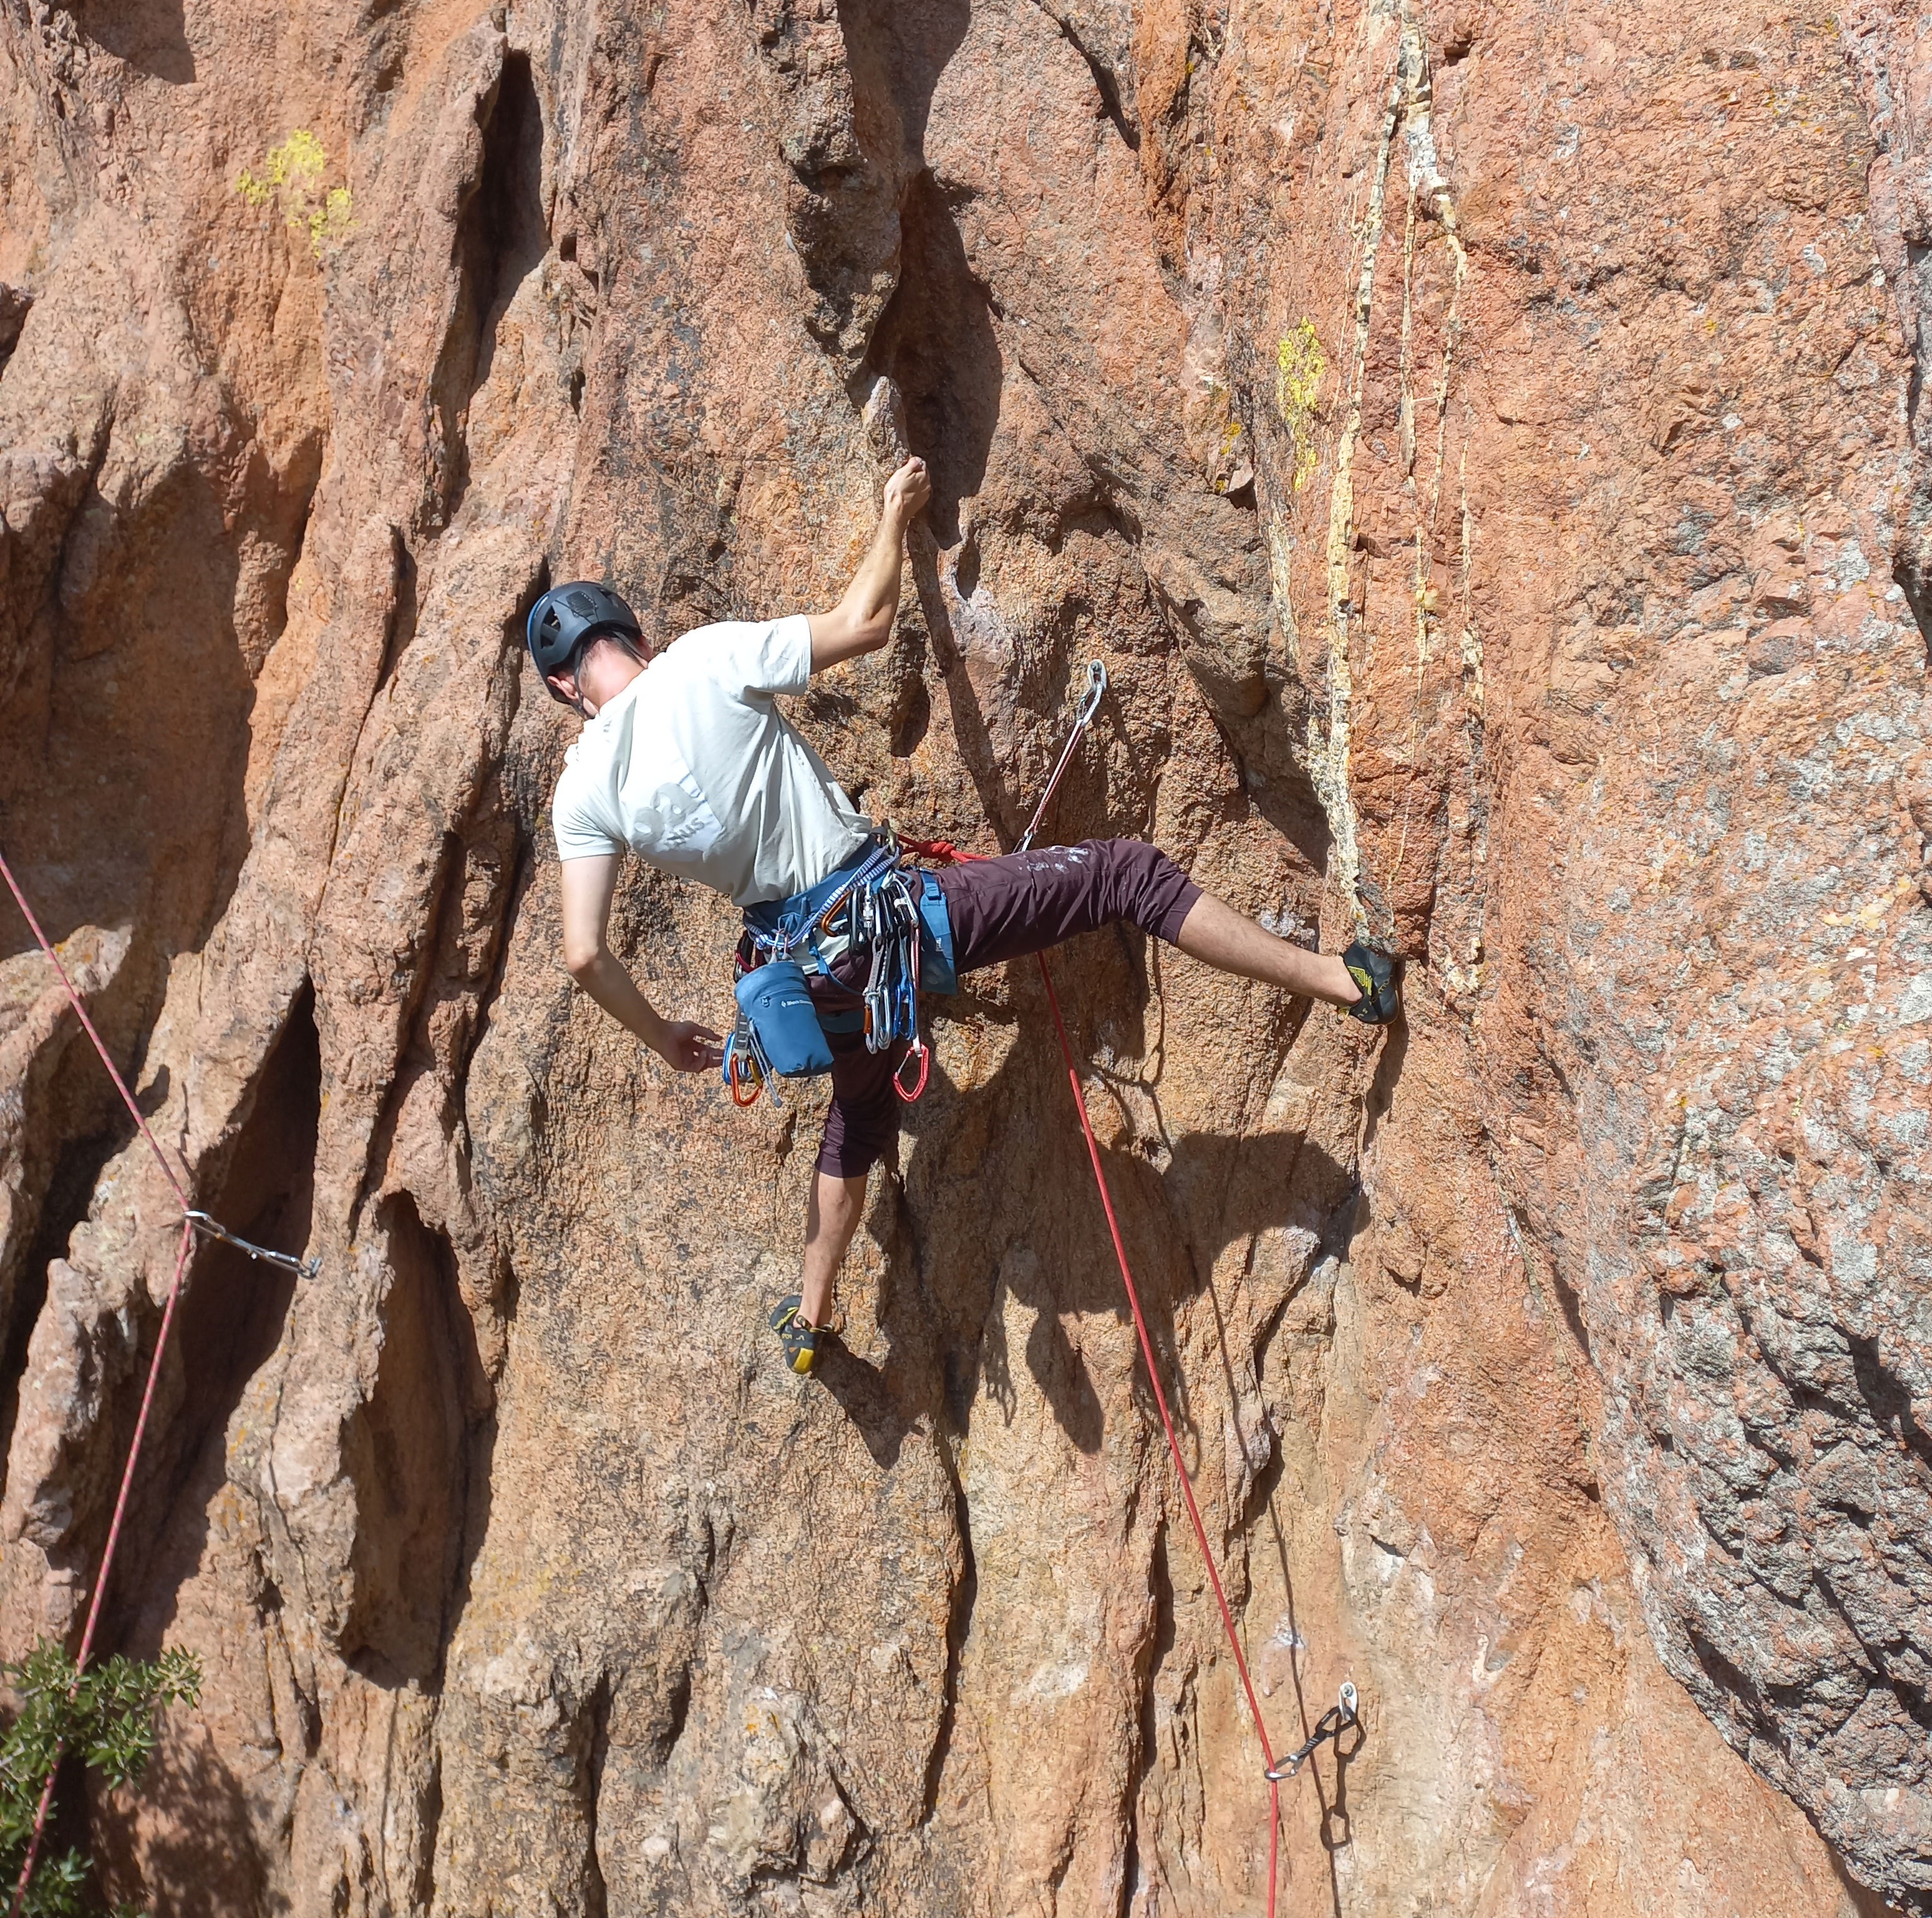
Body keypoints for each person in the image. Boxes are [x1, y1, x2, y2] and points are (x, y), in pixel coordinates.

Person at [533, 456, 1399, 1375]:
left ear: (563, 689)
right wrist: (895, 513)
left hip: (809, 972)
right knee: (1124, 874)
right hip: (893, 919)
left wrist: (663, 1036)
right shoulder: (699, 661)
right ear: (631, 633)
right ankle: (1344, 980)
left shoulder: (583, 788)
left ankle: (814, 1315)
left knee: (857, 1121)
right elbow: (865, 623)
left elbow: (584, 954)